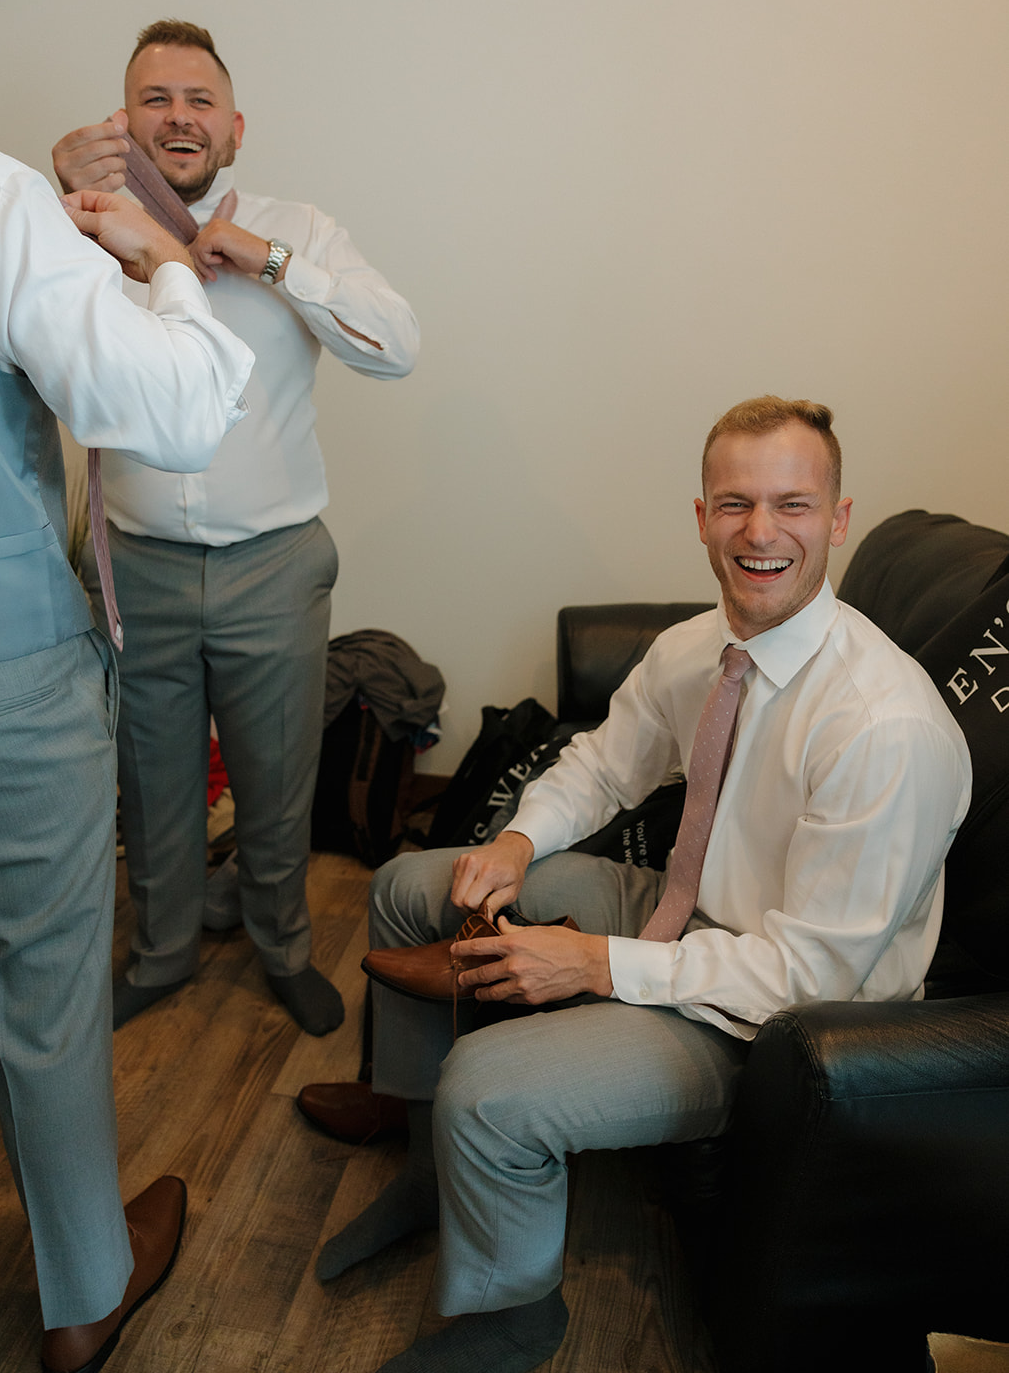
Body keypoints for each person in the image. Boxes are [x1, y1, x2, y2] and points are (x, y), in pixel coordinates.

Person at [313, 396, 972, 1373]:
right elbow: (608, 763)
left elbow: (805, 972)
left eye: (790, 504)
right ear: (700, 515)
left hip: (783, 1024)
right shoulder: (702, 646)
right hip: (683, 913)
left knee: (487, 1091)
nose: (758, 531)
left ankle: (513, 1317)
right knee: (416, 886)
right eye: (733, 503)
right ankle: (422, 1167)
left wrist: (588, 962)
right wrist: (518, 842)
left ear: (836, 522)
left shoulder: (883, 730)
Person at [0, 0, 254, 1373]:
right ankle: (81, 1296)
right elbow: (181, 407)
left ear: (233, 119)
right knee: (44, 983)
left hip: (235, 582)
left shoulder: (301, 227)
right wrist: (160, 259)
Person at [52, 22, 419, 1036]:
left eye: (198, 99)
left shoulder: (295, 226)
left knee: (274, 778)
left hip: (273, 564)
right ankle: (162, 950)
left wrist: (274, 262)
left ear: (235, 126)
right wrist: (57, 200)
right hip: (137, 567)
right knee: (151, 779)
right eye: (155, 99)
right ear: (122, 122)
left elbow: (398, 345)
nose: (178, 116)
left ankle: (284, 947)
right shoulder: (83, 227)